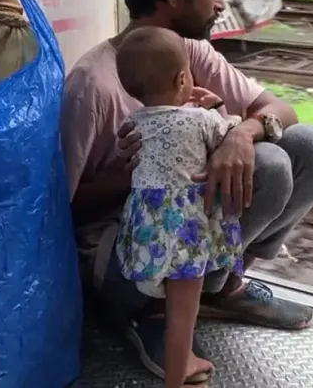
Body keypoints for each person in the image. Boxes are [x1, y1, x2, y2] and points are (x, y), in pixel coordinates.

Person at [60, 0, 313, 384]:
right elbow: (61, 209)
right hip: (126, 250)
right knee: (270, 165)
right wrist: (145, 170)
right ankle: (153, 314)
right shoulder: (94, 84)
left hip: (190, 229)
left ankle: (220, 285)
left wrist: (238, 136)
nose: (221, 2)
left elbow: (277, 108)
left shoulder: (191, 53)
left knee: (312, 146)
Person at [114, 26, 247, 386]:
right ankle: (177, 375)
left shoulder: (131, 124)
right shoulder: (201, 119)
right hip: (187, 229)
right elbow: (231, 132)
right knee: (182, 318)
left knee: (169, 308)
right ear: (183, 78)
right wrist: (217, 105)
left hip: (146, 229)